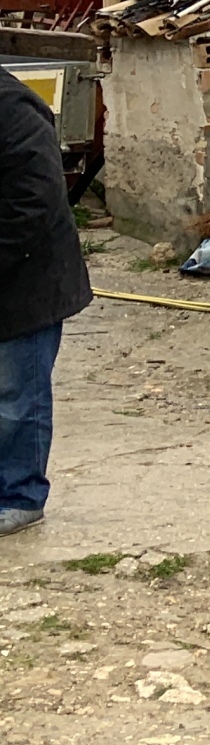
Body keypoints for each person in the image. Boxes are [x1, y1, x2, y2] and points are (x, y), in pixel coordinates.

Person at [0, 70, 91, 535]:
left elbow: (33, 202)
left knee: (17, 395)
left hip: (27, 278)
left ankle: (20, 496)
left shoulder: (12, 108)